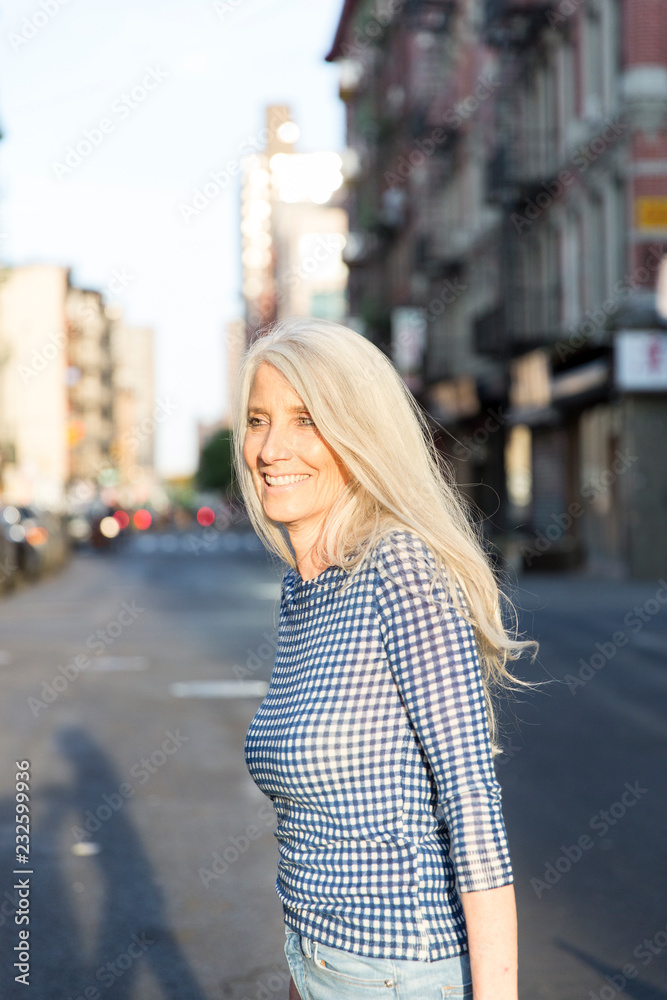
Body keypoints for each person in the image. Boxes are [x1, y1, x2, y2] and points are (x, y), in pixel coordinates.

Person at [234, 317, 537, 1000]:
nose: (271, 448)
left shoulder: (398, 568)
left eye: (306, 420)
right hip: (317, 960)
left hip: (395, 972)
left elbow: (471, 802)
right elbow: (312, 826)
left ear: (357, 435)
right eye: (258, 420)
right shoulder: (304, 589)